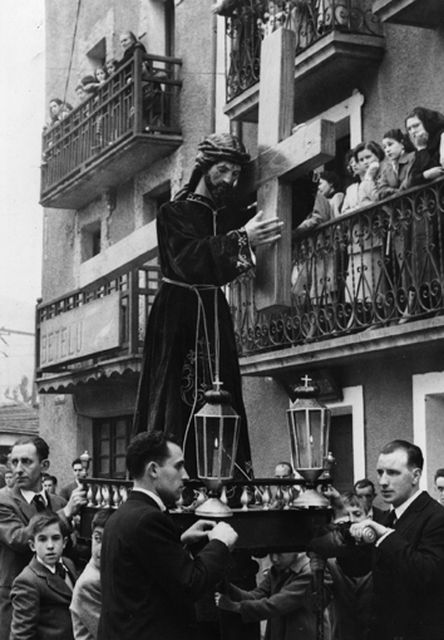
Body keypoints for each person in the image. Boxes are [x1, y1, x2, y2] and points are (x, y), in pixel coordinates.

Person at [132, 133, 282, 476]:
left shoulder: (227, 215)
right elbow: (187, 258)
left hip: (212, 311)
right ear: (205, 168)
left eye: (235, 174)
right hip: (179, 310)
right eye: (224, 170)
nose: (230, 180)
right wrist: (242, 240)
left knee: (223, 390)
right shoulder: (173, 212)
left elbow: (278, 207)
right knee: (176, 395)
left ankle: (224, 478)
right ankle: (172, 477)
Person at [98, 431, 239, 640]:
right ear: (153, 470)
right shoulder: (148, 519)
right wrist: (220, 543)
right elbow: (191, 583)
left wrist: (180, 540)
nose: (186, 475)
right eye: (178, 466)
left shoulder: (124, 514)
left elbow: (143, 568)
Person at [350, 439, 444, 640]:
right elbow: (358, 568)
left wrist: (385, 536)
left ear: (416, 476)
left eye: (393, 473)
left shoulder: (437, 517)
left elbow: (430, 574)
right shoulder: (387, 517)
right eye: (380, 472)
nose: (383, 481)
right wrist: (349, 537)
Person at [0, 436, 86, 640]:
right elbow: (20, 539)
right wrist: (65, 515)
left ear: (44, 465)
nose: (18, 469)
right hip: (18, 604)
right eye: (14, 462)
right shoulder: (4, 501)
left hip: (57, 610)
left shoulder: (57, 502)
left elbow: (71, 550)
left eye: (26, 462)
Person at [215, 551, 331, 640]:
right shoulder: (278, 570)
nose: (274, 559)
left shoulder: (309, 571)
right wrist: (227, 587)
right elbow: (256, 596)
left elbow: (274, 605)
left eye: (280, 554)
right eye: (272, 553)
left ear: (294, 549)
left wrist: (235, 607)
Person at [310, 492, 373, 640]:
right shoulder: (331, 561)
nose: (352, 522)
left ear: (368, 517)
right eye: (345, 517)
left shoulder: (381, 553)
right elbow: (316, 605)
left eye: (357, 514)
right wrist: (315, 574)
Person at [9, 513, 76, 640]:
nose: (50, 546)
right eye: (42, 539)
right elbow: (21, 635)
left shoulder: (68, 564)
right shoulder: (28, 581)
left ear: (64, 542)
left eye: (55, 538)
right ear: (32, 545)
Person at [71, 508, 114, 640]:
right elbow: (110, 633)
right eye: (97, 538)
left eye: (108, 539)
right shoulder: (90, 582)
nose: (100, 547)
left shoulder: (106, 570)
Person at [406, 106, 444, 186]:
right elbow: (410, 180)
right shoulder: (421, 146)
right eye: (409, 129)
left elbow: (440, 167)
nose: (413, 131)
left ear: (427, 123)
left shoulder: (442, 135)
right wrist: (424, 175)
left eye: (416, 126)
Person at [379, 128, 415, 199]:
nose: (387, 150)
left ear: (401, 143)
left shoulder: (412, 157)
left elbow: (411, 179)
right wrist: (394, 191)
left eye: (390, 144)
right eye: (385, 147)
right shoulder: (387, 169)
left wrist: (397, 192)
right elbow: (381, 190)